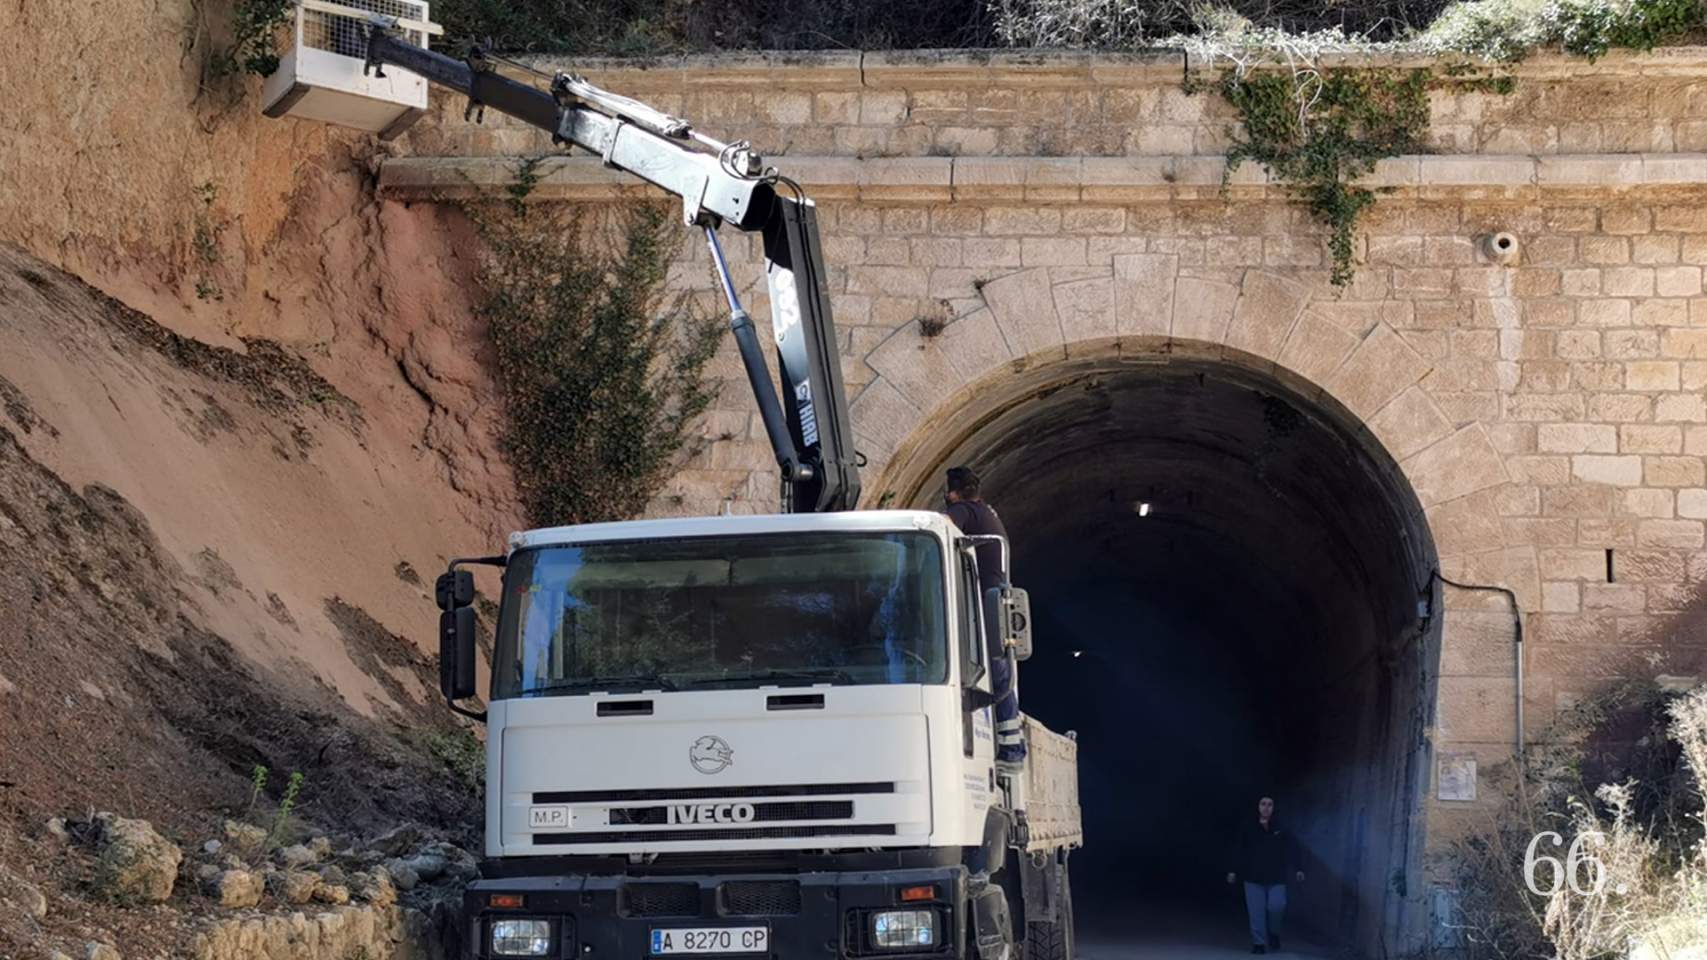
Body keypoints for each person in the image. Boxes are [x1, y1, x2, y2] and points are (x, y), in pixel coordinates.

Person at [942, 466, 1025, 765]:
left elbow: (942, 526)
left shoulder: (964, 511)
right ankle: (1013, 746)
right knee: (1001, 674)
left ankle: (1013, 750)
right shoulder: (987, 512)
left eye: (948, 491)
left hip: (988, 601)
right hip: (999, 599)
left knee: (998, 675)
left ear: (955, 492)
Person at [1226, 796, 1305, 954]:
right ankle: (1259, 943)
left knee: (1277, 906)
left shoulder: (1281, 827)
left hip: (1277, 877)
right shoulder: (1248, 827)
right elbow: (1239, 849)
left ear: (1274, 807)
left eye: (1270, 804)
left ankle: (1274, 933)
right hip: (1253, 877)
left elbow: (1293, 848)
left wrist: (1299, 868)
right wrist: (1232, 870)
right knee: (1256, 912)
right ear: (1258, 807)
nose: (1266, 807)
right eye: (1263, 804)